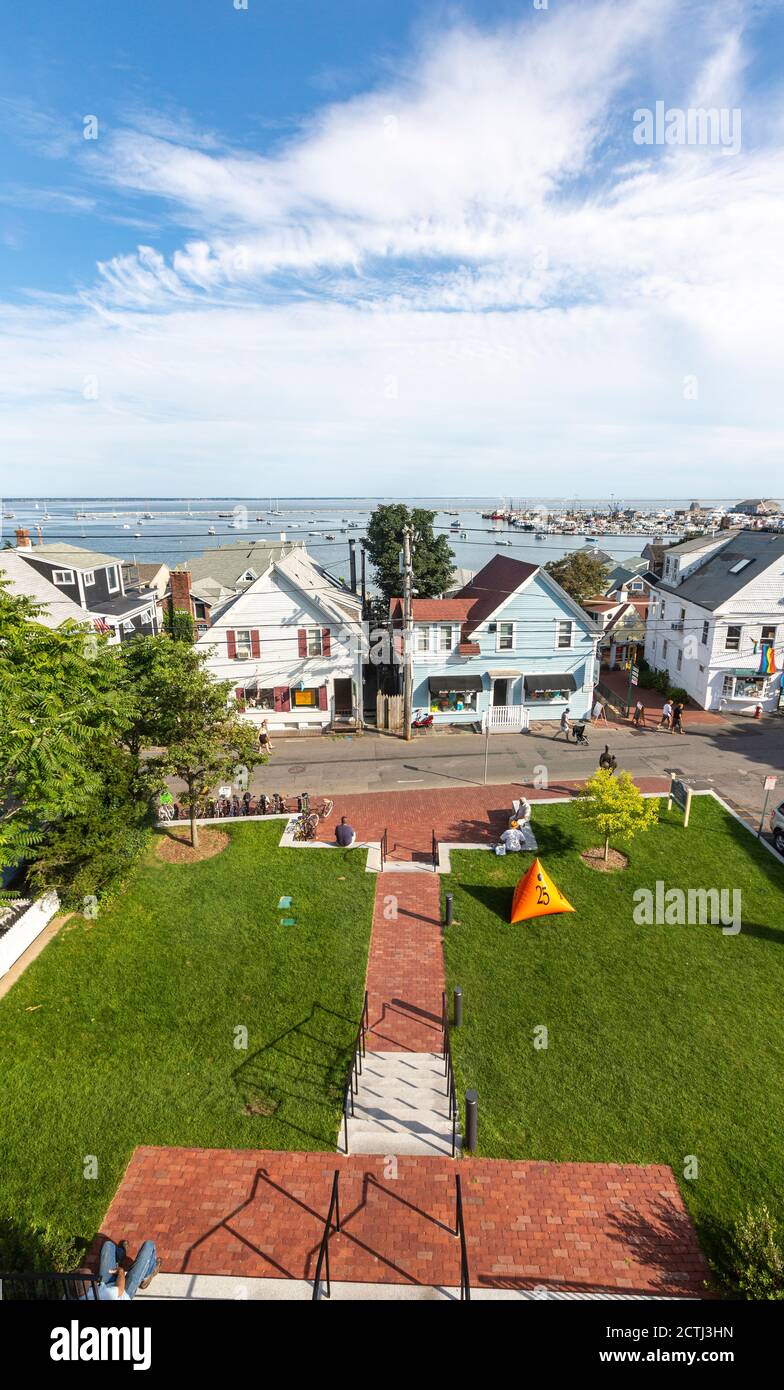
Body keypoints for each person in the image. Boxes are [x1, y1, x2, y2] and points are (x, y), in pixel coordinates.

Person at [84, 1238, 160, 1301]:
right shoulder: (110, 1294)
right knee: (149, 1245)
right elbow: (119, 1289)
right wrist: (121, 1272)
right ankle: (146, 1277)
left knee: (108, 1245)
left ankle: (120, 1255)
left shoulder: (75, 1295)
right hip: (124, 1292)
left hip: (104, 1285)